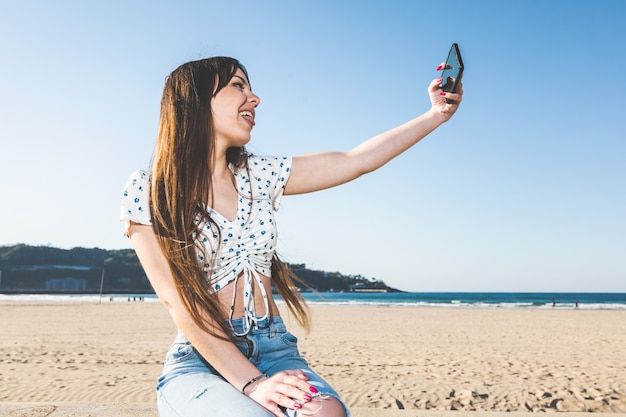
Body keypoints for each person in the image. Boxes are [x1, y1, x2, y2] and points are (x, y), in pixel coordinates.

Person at [120, 56, 463, 417]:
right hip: (200, 358)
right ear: (195, 98)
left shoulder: (261, 175)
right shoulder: (149, 189)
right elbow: (178, 303)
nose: (254, 98)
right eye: (238, 86)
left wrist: (435, 115)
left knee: (327, 413)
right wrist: (252, 384)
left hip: (274, 350)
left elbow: (356, 159)